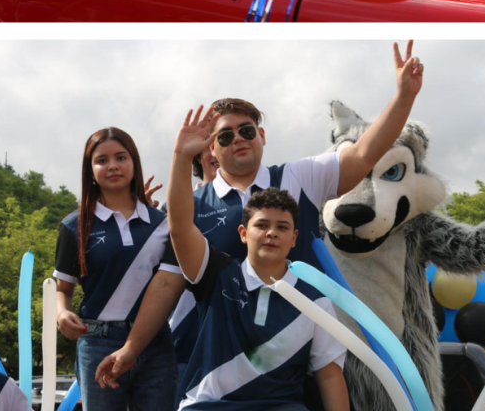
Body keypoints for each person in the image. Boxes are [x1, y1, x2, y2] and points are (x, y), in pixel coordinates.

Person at [138, 42, 424, 383]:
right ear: (210, 149)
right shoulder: (189, 206)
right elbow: (169, 280)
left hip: (293, 357)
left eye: (246, 131)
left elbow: (363, 155)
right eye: (225, 136)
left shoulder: (299, 177)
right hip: (211, 361)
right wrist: (130, 347)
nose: (238, 139)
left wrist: (404, 96)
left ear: (261, 135)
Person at [166, 119, 350, 411]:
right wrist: (180, 158)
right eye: (261, 225)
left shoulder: (316, 300)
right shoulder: (215, 276)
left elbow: (329, 375)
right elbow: (178, 227)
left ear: (295, 238)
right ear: (243, 233)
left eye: (282, 226)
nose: (271, 233)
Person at [54, 127, 177, 411]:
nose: (112, 166)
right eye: (102, 160)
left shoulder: (164, 224)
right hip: (97, 342)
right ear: (90, 170)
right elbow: (63, 289)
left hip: (154, 341)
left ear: (134, 162)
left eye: (121, 157)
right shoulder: (74, 226)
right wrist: (62, 313)